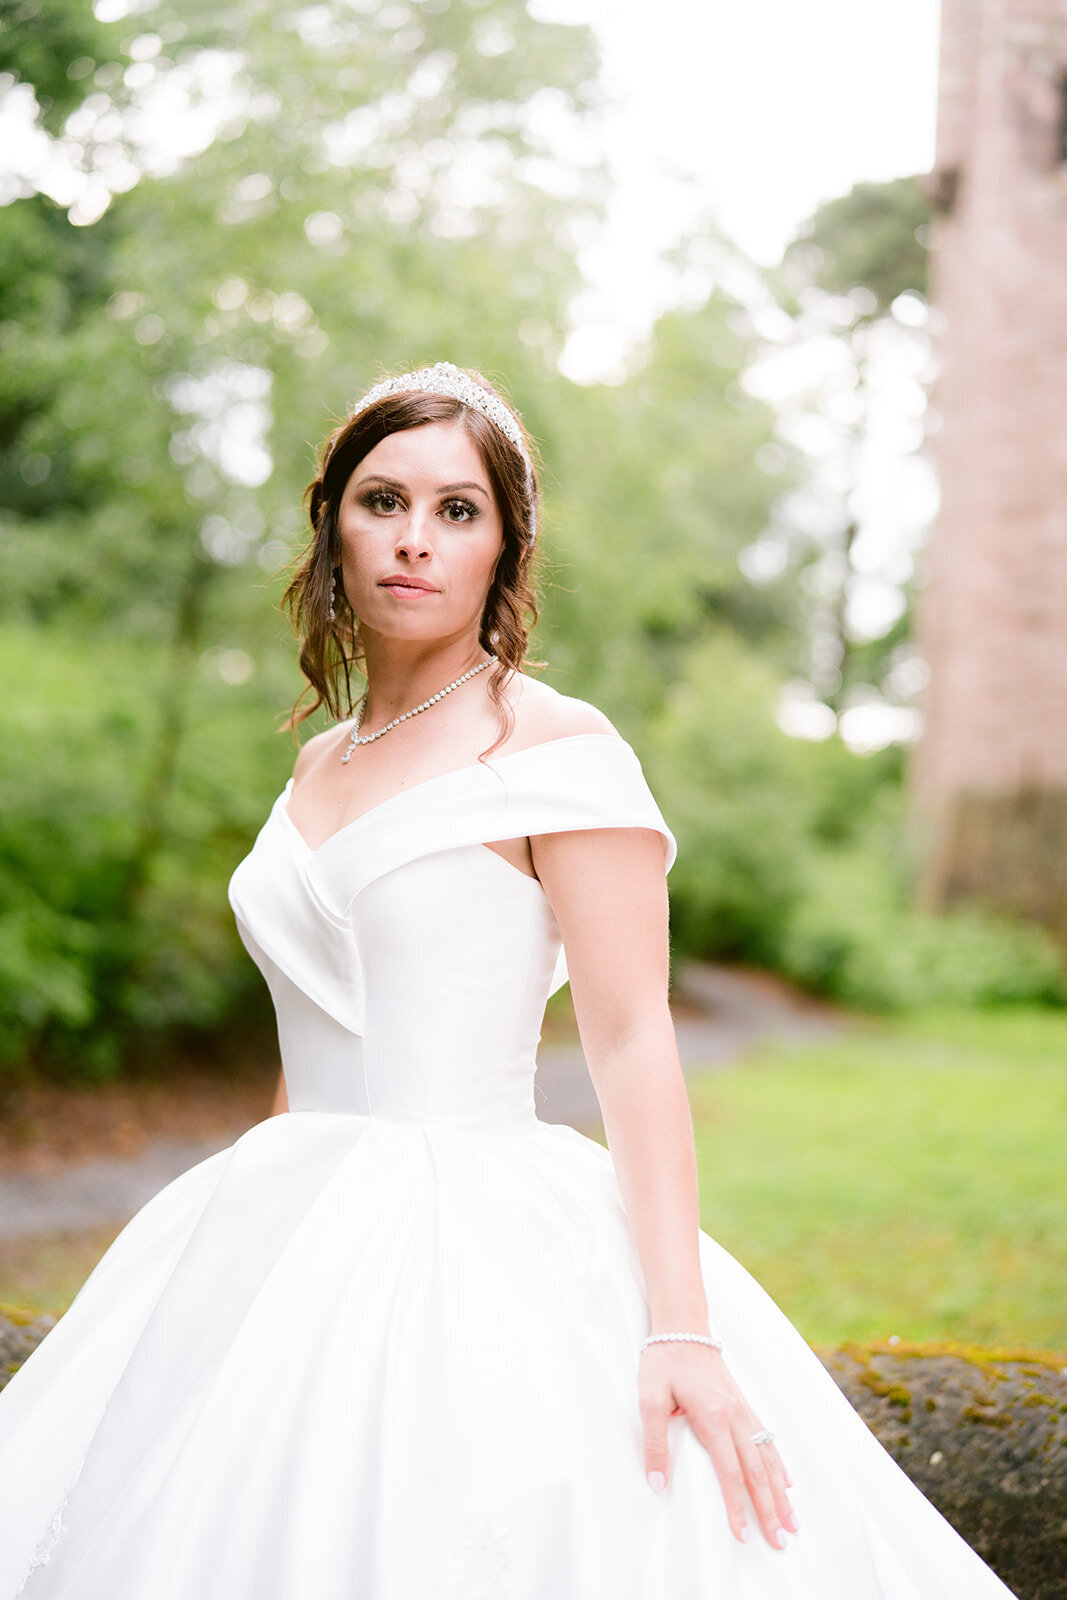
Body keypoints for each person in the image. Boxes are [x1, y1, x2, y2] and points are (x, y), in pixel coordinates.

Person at [0, 361, 1021, 1599]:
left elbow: (635, 1037)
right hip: (275, 1216)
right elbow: (315, 1020)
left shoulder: (555, 750)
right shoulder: (318, 759)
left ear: (504, 547)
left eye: (456, 510)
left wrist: (679, 1325)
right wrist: (240, 1256)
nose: (413, 541)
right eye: (381, 502)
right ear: (331, 526)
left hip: (469, 1230)